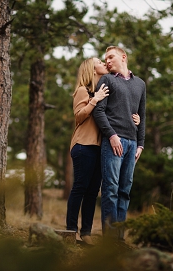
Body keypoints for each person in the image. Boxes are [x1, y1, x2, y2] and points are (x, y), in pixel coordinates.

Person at [67, 57, 139, 245]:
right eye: (100, 61)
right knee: (80, 188)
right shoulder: (84, 90)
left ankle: (86, 233)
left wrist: (135, 119)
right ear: (92, 69)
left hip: (101, 148)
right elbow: (78, 117)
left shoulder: (105, 89)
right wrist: (94, 101)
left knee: (92, 192)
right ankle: (70, 230)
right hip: (84, 145)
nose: (104, 64)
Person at [92, 46, 147, 240]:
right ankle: (109, 240)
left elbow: (142, 115)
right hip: (113, 142)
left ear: (123, 57)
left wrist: (140, 144)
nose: (107, 61)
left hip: (132, 145)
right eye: (105, 59)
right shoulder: (107, 80)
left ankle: (120, 239)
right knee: (111, 189)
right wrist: (112, 136)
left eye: (110, 57)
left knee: (125, 191)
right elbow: (98, 111)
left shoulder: (140, 84)